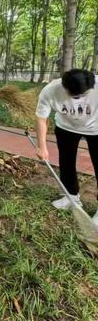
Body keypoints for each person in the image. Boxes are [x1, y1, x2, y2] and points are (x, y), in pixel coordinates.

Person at [35, 69, 98, 223]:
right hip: (66, 128)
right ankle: (71, 197)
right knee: (66, 161)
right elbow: (41, 119)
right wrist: (42, 147)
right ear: (64, 86)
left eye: (83, 95)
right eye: (74, 95)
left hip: (96, 129)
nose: (78, 98)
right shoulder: (50, 90)